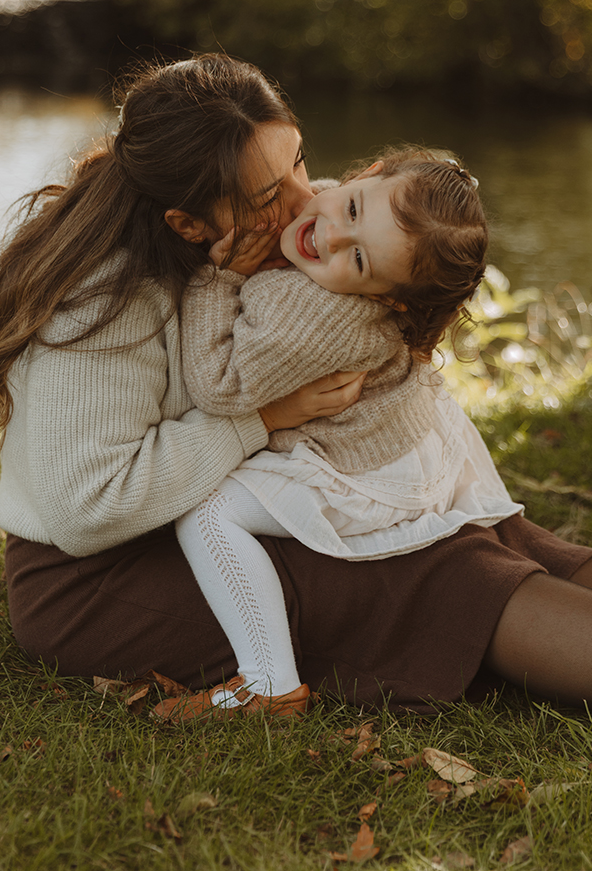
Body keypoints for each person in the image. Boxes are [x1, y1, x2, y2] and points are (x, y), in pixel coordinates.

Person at [0, 54, 592, 749]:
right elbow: (84, 506)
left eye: (300, 162)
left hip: (191, 515)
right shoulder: (101, 300)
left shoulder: (253, 232)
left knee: (494, 531)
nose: (306, 196)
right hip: (95, 577)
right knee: (438, 573)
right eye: (273, 190)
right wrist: (259, 420)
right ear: (188, 222)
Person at [170, 149, 525, 717]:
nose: (330, 236)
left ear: (384, 296)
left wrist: (220, 280)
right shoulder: (333, 213)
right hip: (403, 438)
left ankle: (269, 683)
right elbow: (337, 215)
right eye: (352, 206)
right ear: (363, 176)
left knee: (208, 511)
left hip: (364, 470)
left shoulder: (311, 320)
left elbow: (218, 387)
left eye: (357, 258)